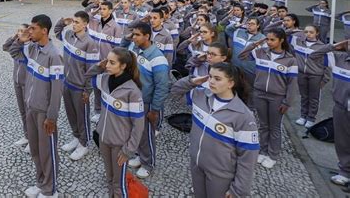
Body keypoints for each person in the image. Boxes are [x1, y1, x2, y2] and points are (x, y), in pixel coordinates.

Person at [171, 62, 259, 197]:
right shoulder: (200, 96)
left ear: (231, 83)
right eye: (210, 76)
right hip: (197, 165)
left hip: (221, 175)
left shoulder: (243, 115)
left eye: (217, 79)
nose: (211, 81)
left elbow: (248, 157)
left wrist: (239, 189)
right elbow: (175, 92)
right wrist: (192, 81)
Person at [9, 14, 64, 198]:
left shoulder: (54, 56)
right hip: (31, 107)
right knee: (35, 149)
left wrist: (52, 117)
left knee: (47, 151)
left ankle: (50, 190)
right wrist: (20, 38)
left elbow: (57, 90)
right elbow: (12, 51)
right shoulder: (31, 48)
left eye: (33, 28)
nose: (29, 31)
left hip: (44, 113)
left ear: (44, 31)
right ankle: (41, 182)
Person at [87, 48, 144, 198]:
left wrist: (128, 150)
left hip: (120, 145)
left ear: (123, 66)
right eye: (107, 61)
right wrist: (99, 66)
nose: (107, 65)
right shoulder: (105, 79)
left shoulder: (133, 91)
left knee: (119, 184)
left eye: (112, 62)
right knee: (110, 178)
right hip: (103, 139)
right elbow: (86, 77)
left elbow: (138, 125)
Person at [239, 28, 298, 169]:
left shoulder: (290, 60)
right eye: (267, 39)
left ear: (281, 40)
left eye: (272, 40)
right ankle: (263, 150)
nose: (269, 42)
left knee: (275, 127)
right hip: (259, 94)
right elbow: (241, 56)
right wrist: (255, 44)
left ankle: (273, 154)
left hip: (277, 98)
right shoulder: (260, 52)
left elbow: (292, 84)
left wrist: (287, 102)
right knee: (263, 125)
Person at [54, 11, 100, 161]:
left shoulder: (90, 43)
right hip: (66, 83)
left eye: (77, 22)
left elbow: (92, 69)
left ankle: (84, 143)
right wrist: (63, 21)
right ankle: (76, 137)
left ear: (85, 24)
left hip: (80, 87)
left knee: (82, 116)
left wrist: (88, 90)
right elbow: (56, 32)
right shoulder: (68, 35)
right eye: (73, 21)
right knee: (71, 113)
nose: (74, 24)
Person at [127, 22, 170, 179]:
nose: (134, 37)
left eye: (137, 35)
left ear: (147, 36)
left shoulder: (158, 58)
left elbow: (162, 86)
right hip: (134, 99)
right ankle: (139, 154)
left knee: (146, 134)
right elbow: (122, 50)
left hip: (147, 103)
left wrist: (155, 109)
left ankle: (148, 163)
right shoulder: (135, 49)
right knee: (136, 131)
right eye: (133, 34)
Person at [309, 39, 350, 187]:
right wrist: (333, 46)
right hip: (341, 108)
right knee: (343, 141)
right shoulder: (339, 59)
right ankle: (345, 171)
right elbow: (314, 56)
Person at [87, 1, 123, 123]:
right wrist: (95, 10)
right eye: (100, 9)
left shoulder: (116, 27)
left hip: (107, 64)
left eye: (104, 9)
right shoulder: (94, 22)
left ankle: (107, 112)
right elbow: (85, 15)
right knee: (95, 87)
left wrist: (111, 63)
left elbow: (117, 49)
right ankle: (97, 111)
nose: (101, 11)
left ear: (111, 10)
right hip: (94, 62)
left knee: (106, 88)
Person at [289, 25, 328, 128]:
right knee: (304, 96)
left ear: (317, 33)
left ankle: (311, 118)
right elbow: (285, 35)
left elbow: (327, 65)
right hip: (301, 74)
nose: (308, 34)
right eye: (306, 32)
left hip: (316, 75)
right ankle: (303, 116)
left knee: (314, 98)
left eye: (311, 32)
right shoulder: (298, 42)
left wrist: (324, 80)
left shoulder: (322, 47)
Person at [3, 24, 30, 150]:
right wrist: (15, 37)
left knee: (30, 112)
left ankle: (33, 139)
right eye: (18, 30)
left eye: (23, 31)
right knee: (22, 111)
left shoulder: (29, 47)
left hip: (28, 83)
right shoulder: (16, 45)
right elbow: (5, 47)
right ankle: (27, 135)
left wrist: (22, 41)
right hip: (17, 82)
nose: (20, 33)